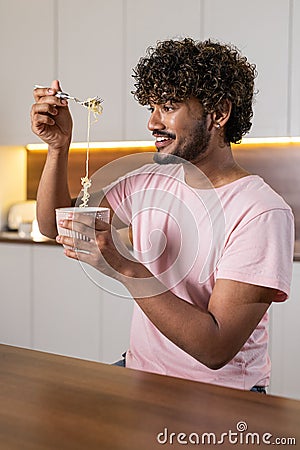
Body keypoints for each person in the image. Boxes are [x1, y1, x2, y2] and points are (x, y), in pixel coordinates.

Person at [31, 38, 294, 392]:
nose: (152, 122)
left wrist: (126, 268)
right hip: (142, 372)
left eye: (168, 107)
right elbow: (54, 225)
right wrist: (58, 146)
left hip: (222, 397)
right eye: (151, 107)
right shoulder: (149, 180)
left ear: (219, 113)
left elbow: (215, 347)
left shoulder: (261, 212)